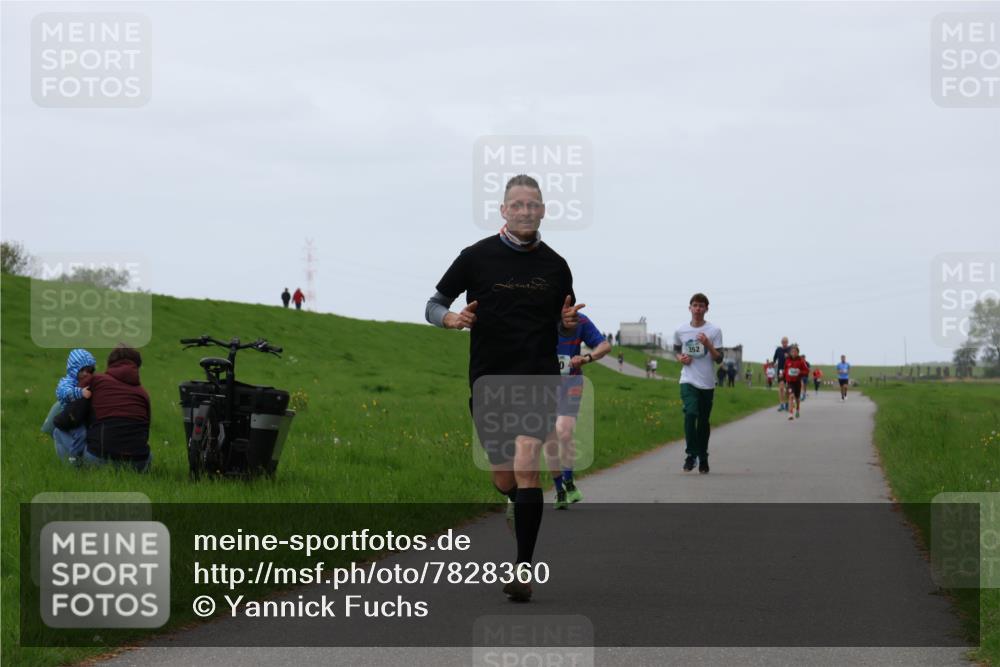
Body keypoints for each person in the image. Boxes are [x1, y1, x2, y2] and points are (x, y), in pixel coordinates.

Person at [425, 174, 578, 602]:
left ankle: (523, 570)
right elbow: (433, 304)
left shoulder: (556, 266)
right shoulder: (476, 258)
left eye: (534, 204)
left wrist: (566, 326)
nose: (526, 210)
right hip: (490, 379)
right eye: (518, 204)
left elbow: (564, 318)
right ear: (504, 210)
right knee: (503, 478)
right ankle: (516, 503)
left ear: (543, 210)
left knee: (528, 462)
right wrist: (450, 318)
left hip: (537, 378)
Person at [547, 314, 611, 509]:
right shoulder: (540, 315)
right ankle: (559, 490)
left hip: (571, 382)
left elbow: (605, 346)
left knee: (564, 432)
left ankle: (568, 480)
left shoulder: (580, 320)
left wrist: (586, 357)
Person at [673, 293, 723, 474]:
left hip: (707, 383)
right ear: (689, 308)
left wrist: (708, 344)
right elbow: (676, 349)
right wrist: (681, 358)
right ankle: (690, 455)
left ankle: (703, 457)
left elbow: (719, 358)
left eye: (701, 306)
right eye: (695, 305)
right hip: (688, 379)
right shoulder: (681, 330)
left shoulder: (714, 330)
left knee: (703, 422)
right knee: (690, 413)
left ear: (706, 309)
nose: (698, 309)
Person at [84, 344, 152, 472]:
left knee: (60, 429)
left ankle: (76, 471)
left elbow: (74, 412)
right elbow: (145, 433)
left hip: (100, 459)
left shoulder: (97, 381)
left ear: (110, 363)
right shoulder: (143, 393)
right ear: (136, 367)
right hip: (139, 464)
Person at [48, 349, 96, 465]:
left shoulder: (86, 381)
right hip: (70, 416)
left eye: (89, 371)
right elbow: (64, 393)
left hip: (80, 415)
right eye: (82, 370)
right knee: (81, 434)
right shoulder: (67, 381)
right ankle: (74, 459)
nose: (85, 373)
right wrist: (80, 392)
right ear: (73, 369)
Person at [783, 345, 808, 420]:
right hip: (790, 382)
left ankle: (797, 409)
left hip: (797, 382)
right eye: (792, 352)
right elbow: (785, 370)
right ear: (790, 352)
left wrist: (800, 372)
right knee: (791, 396)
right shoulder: (787, 360)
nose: (793, 353)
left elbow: (806, 371)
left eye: (795, 352)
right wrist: (783, 375)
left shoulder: (801, 361)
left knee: (797, 398)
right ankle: (790, 413)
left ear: (797, 353)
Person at [773, 336, 790, 411]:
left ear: (787, 342)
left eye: (785, 342)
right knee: (781, 388)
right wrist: (774, 363)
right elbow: (774, 358)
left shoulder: (790, 349)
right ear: (781, 342)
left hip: (789, 370)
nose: (784, 343)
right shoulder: (778, 349)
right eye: (783, 342)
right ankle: (781, 404)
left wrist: (788, 356)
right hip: (780, 370)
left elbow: (794, 358)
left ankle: (787, 403)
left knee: (787, 388)